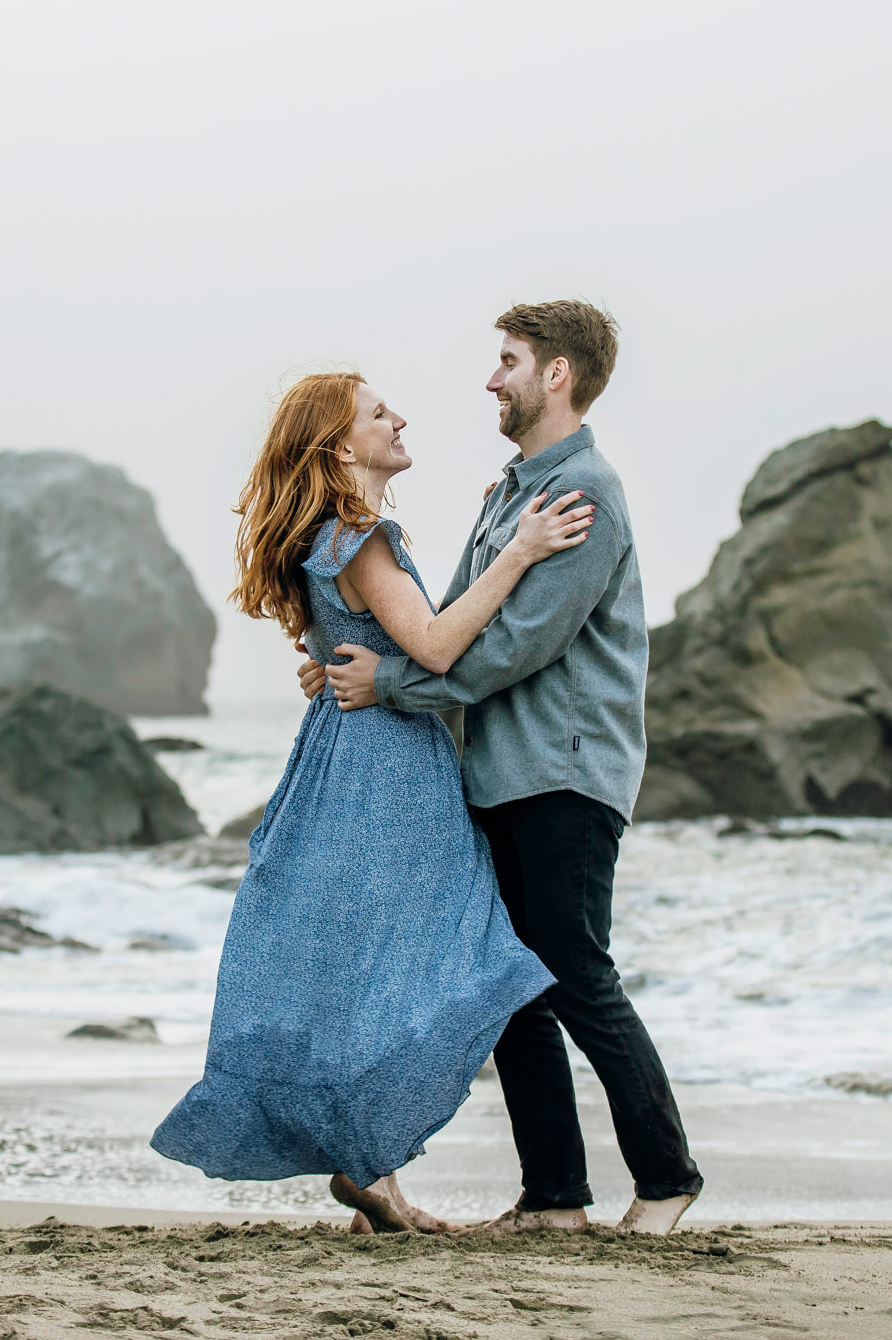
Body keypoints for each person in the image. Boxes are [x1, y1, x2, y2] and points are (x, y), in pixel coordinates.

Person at [150, 369, 593, 1233]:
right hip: (390, 766)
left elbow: (351, 648)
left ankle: (376, 1176)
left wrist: (338, 663)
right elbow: (431, 646)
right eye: (379, 412)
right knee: (462, 954)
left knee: (371, 958)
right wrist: (522, 550)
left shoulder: (326, 538)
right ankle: (408, 1171)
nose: (400, 419)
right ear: (343, 446)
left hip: (341, 758)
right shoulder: (362, 538)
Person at [303, 301, 704, 1235]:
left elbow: (519, 642)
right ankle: (556, 1198)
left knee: (571, 973)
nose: (493, 379)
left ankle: (669, 1178)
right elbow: (449, 619)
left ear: (556, 375)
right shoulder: (511, 491)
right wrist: (356, 660)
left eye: (509, 361)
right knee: (509, 986)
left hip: (565, 772)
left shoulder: (583, 492)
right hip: (499, 773)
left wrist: (392, 684)